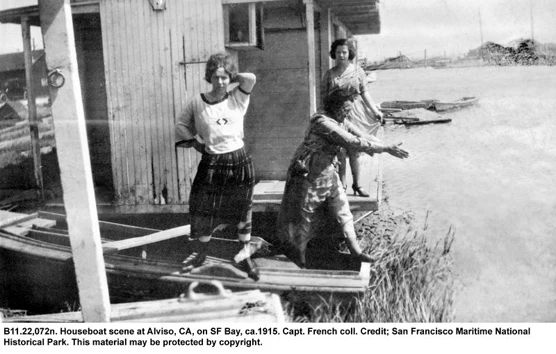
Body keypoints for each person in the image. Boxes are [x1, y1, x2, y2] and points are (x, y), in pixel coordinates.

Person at [276, 90, 409, 269]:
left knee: (342, 209)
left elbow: (363, 136)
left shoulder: (340, 120)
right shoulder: (323, 123)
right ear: (335, 108)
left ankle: (356, 252)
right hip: (308, 173)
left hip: (328, 170)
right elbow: (352, 142)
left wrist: (384, 146)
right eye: (346, 109)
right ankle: (300, 263)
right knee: (303, 218)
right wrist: (385, 149)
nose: (348, 113)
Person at [175, 52, 259, 280]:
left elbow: (250, 78)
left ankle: (245, 253)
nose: (221, 82)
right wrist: (195, 143)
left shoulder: (238, 97)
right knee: (204, 208)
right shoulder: (196, 101)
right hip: (212, 162)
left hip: (239, 161)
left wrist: (229, 71)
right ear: (208, 78)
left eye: (224, 78)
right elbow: (181, 125)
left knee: (243, 209)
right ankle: (201, 253)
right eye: (216, 77)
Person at [321, 38, 384, 197]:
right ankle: (342, 185)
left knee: (355, 150)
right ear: (333, 54)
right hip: (337, 113)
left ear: (349, 53)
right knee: (341, 150)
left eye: (344, 52)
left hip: (356, 112)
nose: (341, 55)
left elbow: (364, 92)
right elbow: (324, 97)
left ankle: (357, 185)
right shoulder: (329, 74)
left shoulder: (358, 71)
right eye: (338, 52)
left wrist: (374, 110)